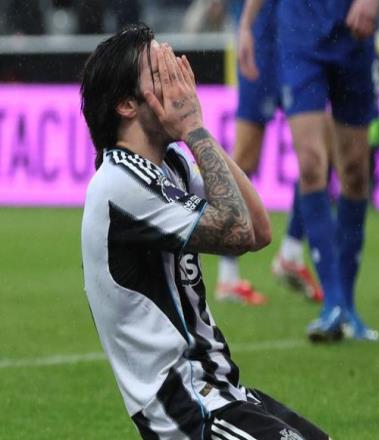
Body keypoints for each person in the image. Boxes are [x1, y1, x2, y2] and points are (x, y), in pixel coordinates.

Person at [80, 23, 331, 439]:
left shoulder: (171, 164)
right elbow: (236, 231)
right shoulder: (119, 182)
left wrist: (197, 133)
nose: (177, 83)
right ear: (126, 104)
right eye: (160, 73)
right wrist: (192, 128)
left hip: (222, 391)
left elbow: (258, 230)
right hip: (186, 409)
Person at [275, 0, 379, 341]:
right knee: (310, 164)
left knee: (354, 171)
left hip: (352, 32)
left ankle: (347, 304)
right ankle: (332, 302)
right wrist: (247, 26)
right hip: (299, 31)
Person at [216, 0, 329, 305]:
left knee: (319, 150)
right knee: (246, 156)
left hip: (301, 38)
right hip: (263, 39)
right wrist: (245, 27)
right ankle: (228, 276)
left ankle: (291, 252)